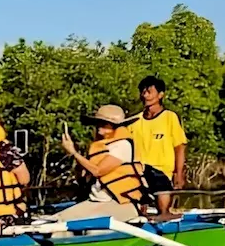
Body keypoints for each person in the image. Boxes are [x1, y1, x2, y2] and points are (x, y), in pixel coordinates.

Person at [55, 104, 149, 221]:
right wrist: (75, 156)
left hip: (121, 203)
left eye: (104, 124)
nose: (99, 128)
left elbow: (98, 171)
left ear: (116, 126)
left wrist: (74, 152)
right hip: (97, 201)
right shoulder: (101, 146)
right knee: (57, 219)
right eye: (98, 123)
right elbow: (84, 175)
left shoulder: (123, 145)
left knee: (77, 223)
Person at [129, 76, 188, 216]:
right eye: (143, 92)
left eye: (149, 91)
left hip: (162, 172)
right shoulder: (134, 121)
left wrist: (178, 173)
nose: (145, 95)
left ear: (160, 94)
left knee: (163, 209)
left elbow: (179, 147)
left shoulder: (169, 117)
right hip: (139, 172)